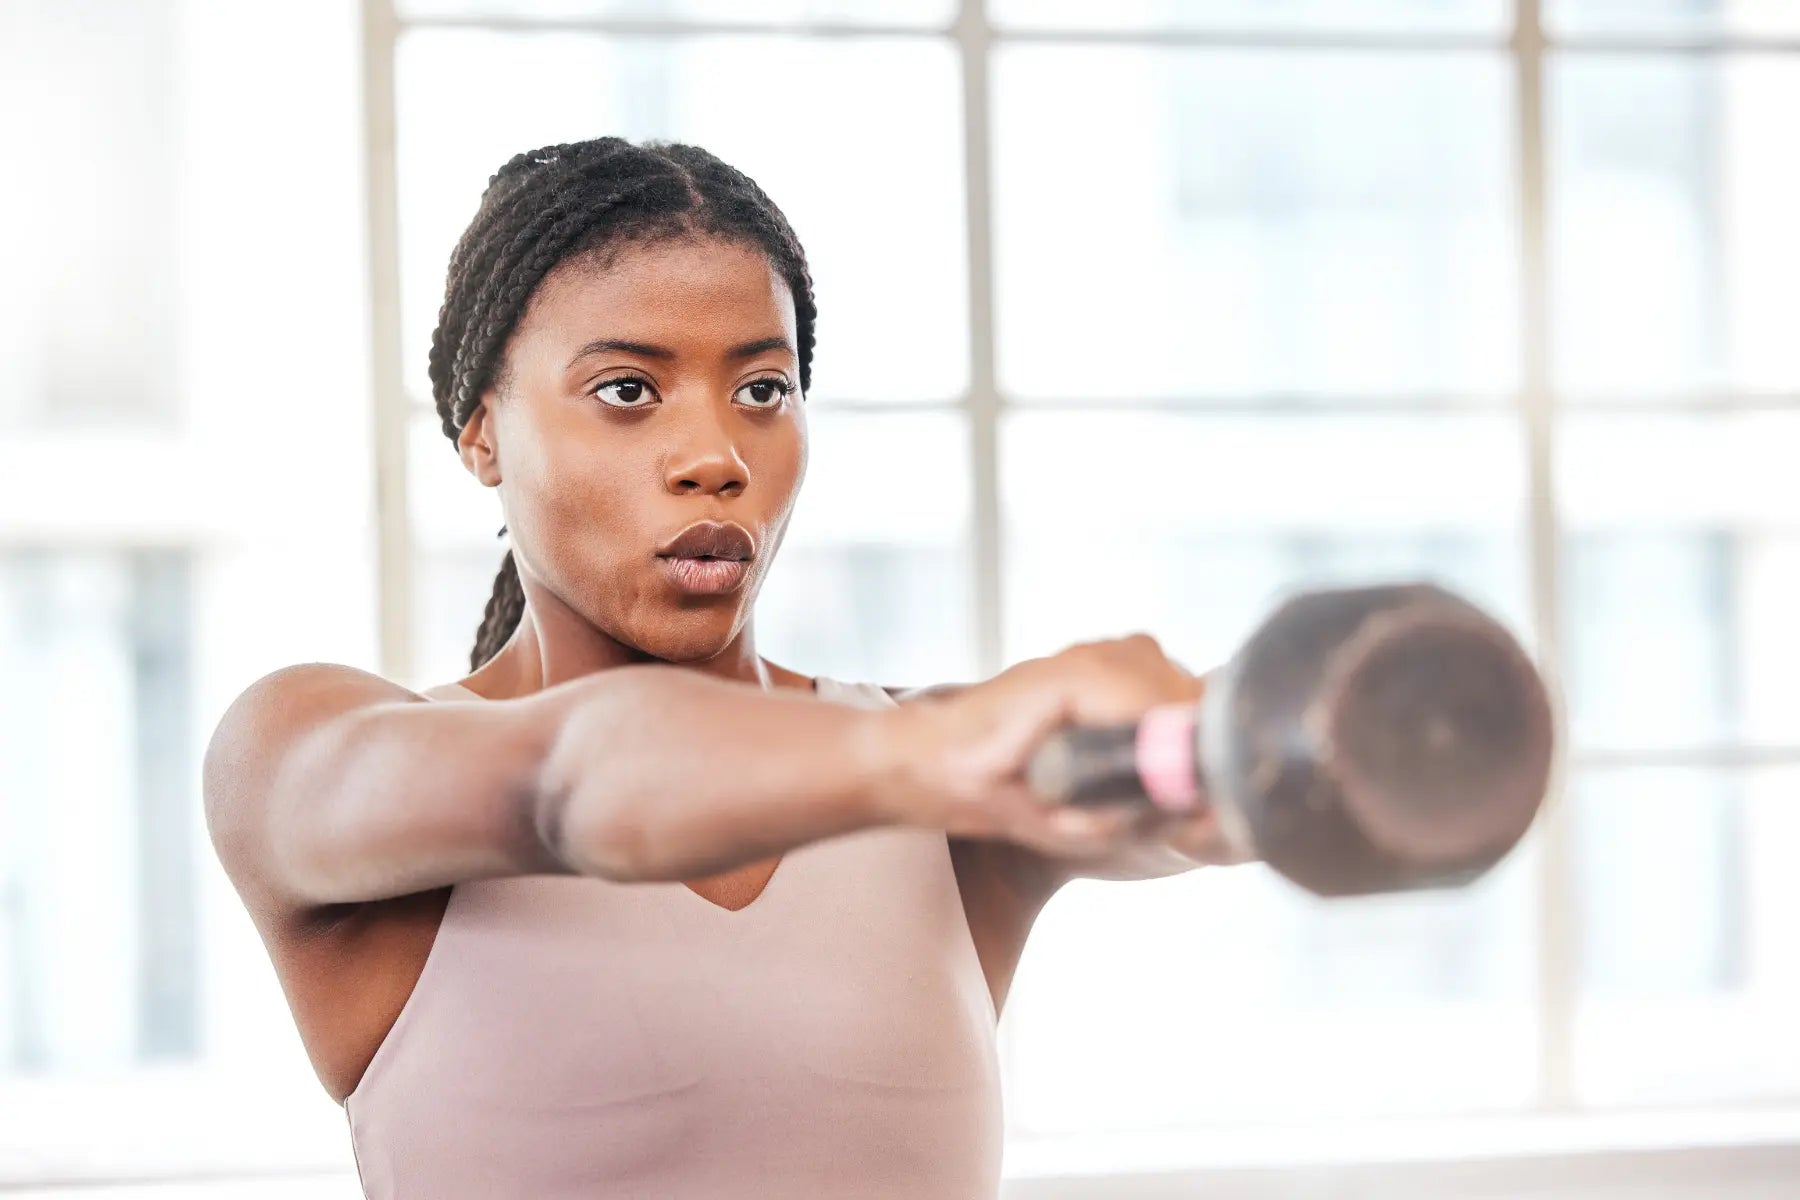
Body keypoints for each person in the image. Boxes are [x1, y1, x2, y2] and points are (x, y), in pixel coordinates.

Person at [204, 137, 1237, 1199]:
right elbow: (575, 779)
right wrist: (947, 751)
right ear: (482, 436)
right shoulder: (305, 753)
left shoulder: (954, 795)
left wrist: (1253, 757)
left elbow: (1222, 787)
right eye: (626, 388)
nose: (719, 457)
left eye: (762, 389)